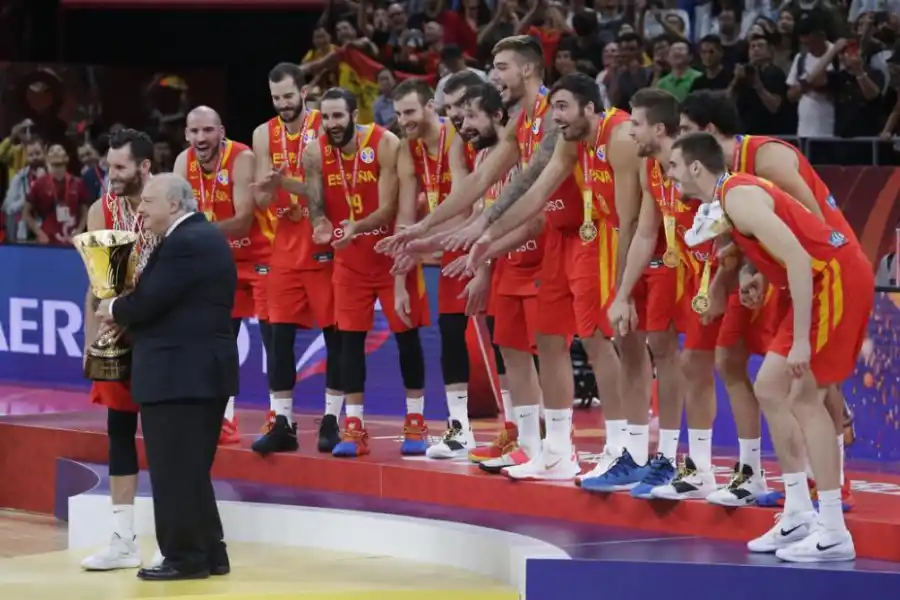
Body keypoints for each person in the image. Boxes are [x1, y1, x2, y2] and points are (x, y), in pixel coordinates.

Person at [671, 131, 873, 563]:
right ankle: (799, 511)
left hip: (833, 280)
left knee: (804, 397)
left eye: (672, 167)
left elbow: (801, 259)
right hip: (814, 282)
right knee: (768, 388)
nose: (667, 176)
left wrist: (800, 341)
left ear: (694, 168)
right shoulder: (727, 199)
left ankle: (834, 529)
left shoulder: (739, 196)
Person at [463, 71, 644, 485]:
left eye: (562, 107)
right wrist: (487, 234)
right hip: (577, 239)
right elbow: (536, 192)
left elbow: (632, 219)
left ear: (590, 108)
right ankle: (557, 450)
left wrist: (624, 286)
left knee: (604, 343)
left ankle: (621, 450)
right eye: (553, 107)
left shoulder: (618, 137)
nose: (555, 115)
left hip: (612, 241)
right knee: (548, 336)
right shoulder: (568, 138)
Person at [259, 87, 430, 457]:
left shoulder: (384, 144)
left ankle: (416, 421)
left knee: (407, 337)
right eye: (327, 117)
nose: (333, 124)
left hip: (390, 257)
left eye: (339, 116)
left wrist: (357, 227)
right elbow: (317, 201)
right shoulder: (314, 151)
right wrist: (320, 223)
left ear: (354, 114)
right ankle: (353, 426)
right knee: (349, 342)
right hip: (349, 261)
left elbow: (390, 208)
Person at [96, 173, 237, 580]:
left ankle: (184, 557)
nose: (141, 209)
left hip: (181, 375)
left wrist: (114, 309)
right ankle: (211, 551)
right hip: (195, 374)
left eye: (149, 202)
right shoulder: (200, 237)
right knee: (190, 469)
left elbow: (149, 301)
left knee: (174, 469)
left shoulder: (186, 243)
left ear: (174, 205)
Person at [607, 89, 720, 501]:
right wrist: (621, 293)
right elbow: (646, 232)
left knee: (721, 366)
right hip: (682, 273)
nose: (628, 130)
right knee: (674, 356)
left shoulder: (696, 162)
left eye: (634, 123)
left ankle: (710, 467)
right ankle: (677, 460)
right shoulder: (653, 169)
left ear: (657, 127)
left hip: (717, 275)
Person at [444, 82, 546, 471]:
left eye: (470, 115)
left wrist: (482, 253)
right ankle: (521, 435)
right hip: (508, 264)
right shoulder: (487, 156)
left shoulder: (526, 155)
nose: (462, 123)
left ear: (498, 116)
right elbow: (483, 217)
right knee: (512, 354)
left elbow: (534, 220)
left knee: (547, 358)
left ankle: (552, 443)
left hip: (540, 263)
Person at [250, 62, 343, 455]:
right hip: (285, 246)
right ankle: (282, 423)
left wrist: (286, 184)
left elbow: (329, 184)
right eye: (276, 98)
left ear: (304, 93)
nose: (283, 104)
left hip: (323, 242)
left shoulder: (326, 125)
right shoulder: (262, 134)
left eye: (289, 96)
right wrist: (271, 194)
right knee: (278, 338)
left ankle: (333, 420)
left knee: (337, 337)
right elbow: (260, 197)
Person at [80, 129, 163, 572]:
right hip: (121, 333)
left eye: (120, 168)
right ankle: (123, 538)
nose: (111, 176)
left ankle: (173, 536)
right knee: (118, 433)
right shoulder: (101, 209)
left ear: (144, 167)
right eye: (109, 167)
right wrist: (91, 338)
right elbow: (98, 283)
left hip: (160, 333)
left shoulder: (166, 202)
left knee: (166, 436)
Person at [391, 78, 478, 459]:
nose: (403, 120)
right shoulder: (408, 149)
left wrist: (425, 242)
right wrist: (399, 279)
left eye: (409, 111)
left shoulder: (458, 138)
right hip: (444, 246)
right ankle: (460, 429)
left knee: (503, 338)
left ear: (430, 106)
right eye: (397, 114)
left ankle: (524, 429)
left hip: (480, 238)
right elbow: (405, 216)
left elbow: (465, 205)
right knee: (450, 332)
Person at [173, 106, 263, 445]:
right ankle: (223, 418)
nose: (201, 138)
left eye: (208, 131)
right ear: (186, 133)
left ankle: (278, 418)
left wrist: (195, 234)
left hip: (256, 258)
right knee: (217, 341)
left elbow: (243, 219)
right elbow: (177, 216)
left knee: (276, 340)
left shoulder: (242, 158)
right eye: (194, 131)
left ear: (221, 131)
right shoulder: (183, 164)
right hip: (215, 262)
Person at [22, 144, 91, 245]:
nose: (55, 152)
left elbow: (85, 213)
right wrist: (39, 233)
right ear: (47, 158)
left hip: (71, 240)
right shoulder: (39, 183)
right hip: (47, 239)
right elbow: (25, 213)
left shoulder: (77, 183)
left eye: (59, 149)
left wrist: (78, 232)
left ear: (66, 158)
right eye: (52, 150)